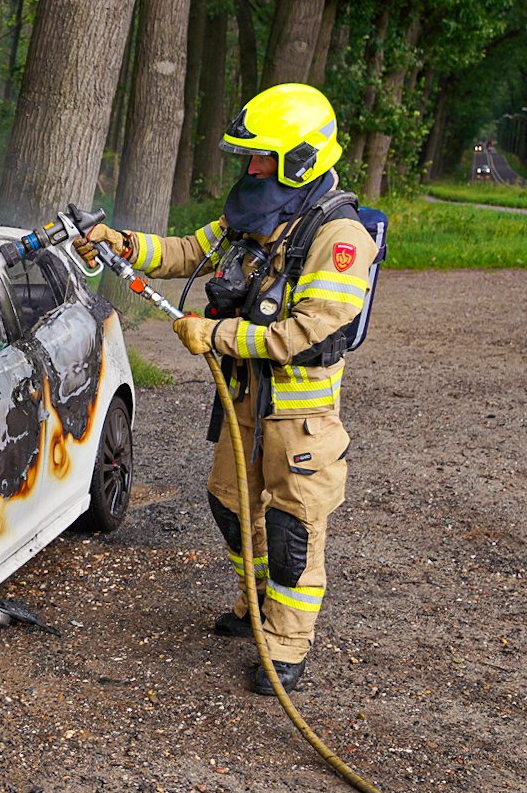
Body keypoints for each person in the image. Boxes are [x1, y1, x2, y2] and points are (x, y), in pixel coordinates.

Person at [75, 83, 375, 694]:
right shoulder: (255, 212)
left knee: (293, 529)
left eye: (262, 157)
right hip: (242, 401)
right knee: (230, 505)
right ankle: (257, 606)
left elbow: (307, 329)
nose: (251, 167)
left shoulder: (339, 238)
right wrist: (120, 243)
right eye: (248, 156)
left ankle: (287, 643)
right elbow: (188, 250)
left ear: (301, 157)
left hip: (300, 420)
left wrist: (217, 335)